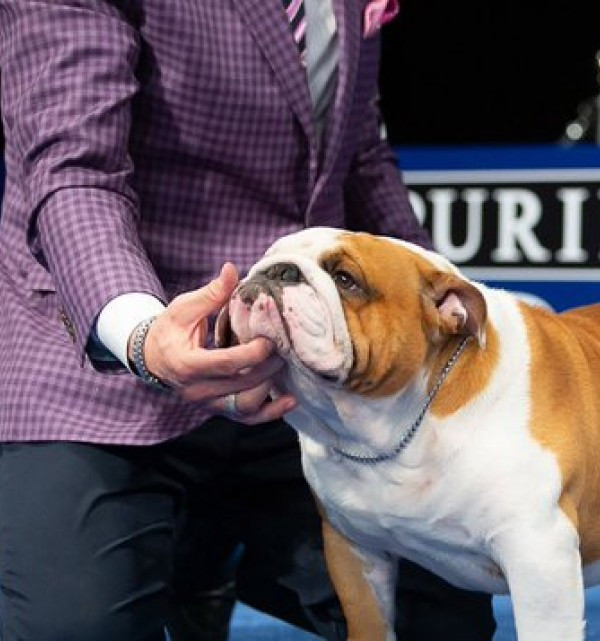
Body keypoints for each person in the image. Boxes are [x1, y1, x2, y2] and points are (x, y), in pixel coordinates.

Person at [0, 0, 496, 639]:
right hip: (101, 376)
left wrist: (456, 303)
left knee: (439, 614)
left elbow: (361, 157)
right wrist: (143, 336)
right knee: (75, 628)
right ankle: (190, 560)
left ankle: (207, 558)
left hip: (295, 392)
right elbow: (74, 170)